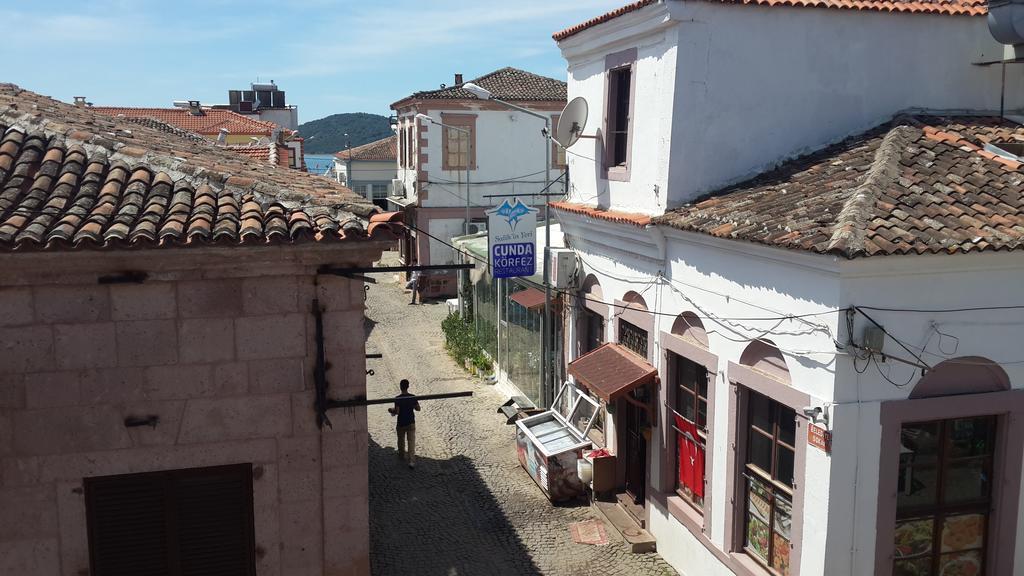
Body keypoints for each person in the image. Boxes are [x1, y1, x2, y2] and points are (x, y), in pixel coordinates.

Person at [388, 379, 421, 468]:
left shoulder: (398, 398)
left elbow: (397, 412)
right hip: (411, 422)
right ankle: (411, 461)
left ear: (400, 387)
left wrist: (391, 410)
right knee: (411, 442)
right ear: (408, 386)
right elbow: (418, 408)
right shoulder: (412, 397)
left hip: (401, 423)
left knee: (401, 440)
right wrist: (412, 405)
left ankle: (401, 455)